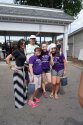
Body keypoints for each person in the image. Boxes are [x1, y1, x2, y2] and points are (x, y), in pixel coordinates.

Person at [5, 39, 27, 108]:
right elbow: (7, 58)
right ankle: (18, 103)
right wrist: (11, 67)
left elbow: (22, 60)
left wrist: (26, 65)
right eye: (21, 44)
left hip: (22, 70)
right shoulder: (16, 51)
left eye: (24, 43)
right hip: (17, 71)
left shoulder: (23, 51)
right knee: (18, 88)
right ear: (19, 44)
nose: (23, 45)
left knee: (22, 86)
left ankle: (22, 100)